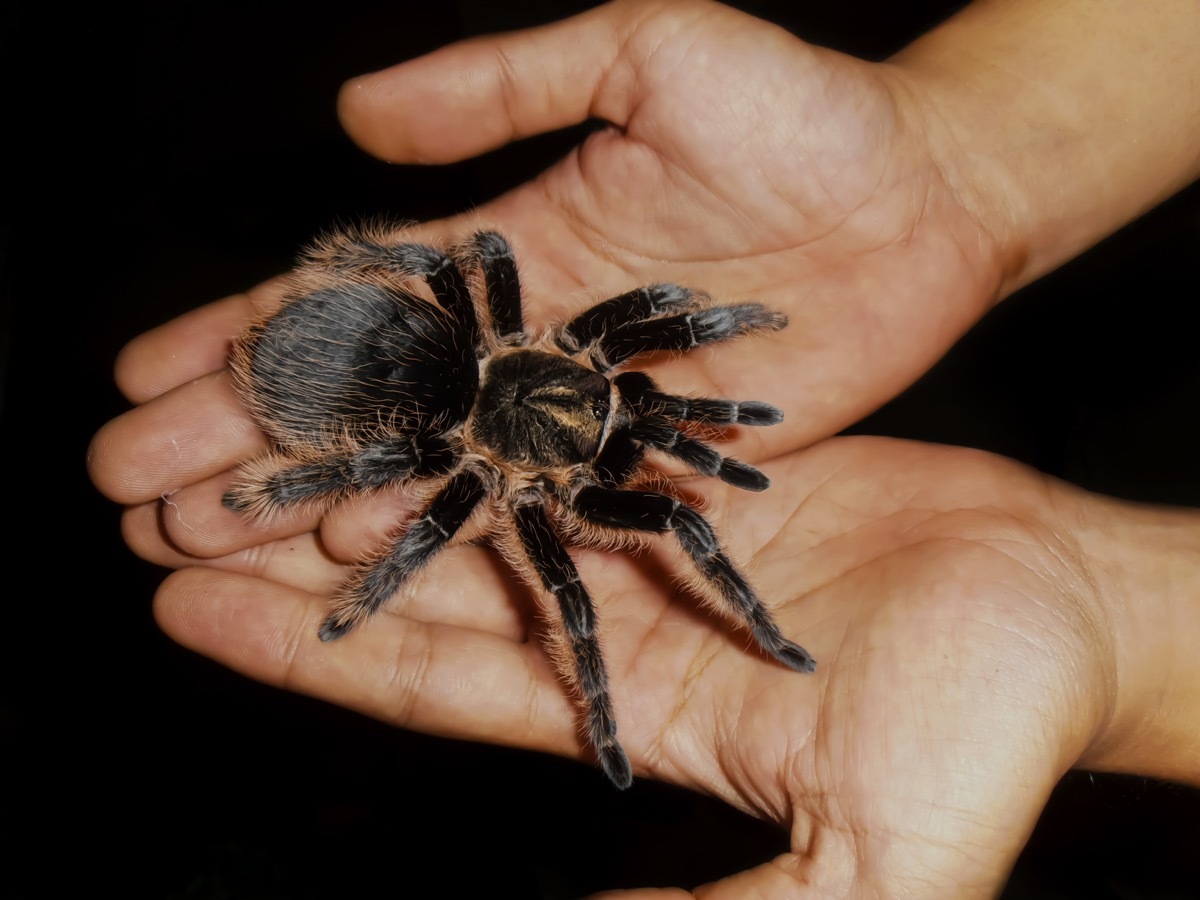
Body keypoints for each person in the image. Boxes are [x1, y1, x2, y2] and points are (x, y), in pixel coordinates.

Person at [88, 0, 1199, 895]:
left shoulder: (566, 350)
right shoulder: (540, 440)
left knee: (503, 495)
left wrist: (759, 315)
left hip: (406, 345)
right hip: (398, 387)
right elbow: (558, 381)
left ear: (592, 365)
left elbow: (476, 262)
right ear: (580, 357)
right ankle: (656, 660)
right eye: (626, 396)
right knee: (557, 551)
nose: (632, 409)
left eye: (621, 397)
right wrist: (335, 545)